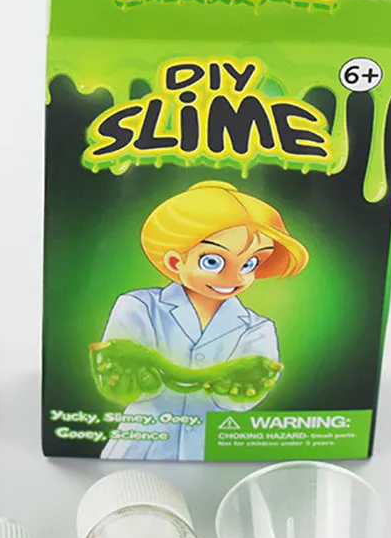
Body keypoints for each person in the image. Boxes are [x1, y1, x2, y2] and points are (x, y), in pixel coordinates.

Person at [99, 180, 308, 460]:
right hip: (140, 448)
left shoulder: (258, 329)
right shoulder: (138, 307)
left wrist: (167, 372)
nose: (235, 277)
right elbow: (125, 384)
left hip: (214, 452)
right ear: (175, 263)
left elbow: (242, 398)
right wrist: (210, 379)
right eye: (213, 261)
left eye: (249, 264)